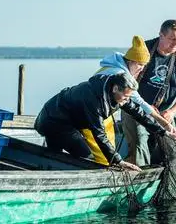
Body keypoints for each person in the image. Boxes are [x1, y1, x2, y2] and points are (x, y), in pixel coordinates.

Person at [34, 72, 168, 171]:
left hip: (64, 121)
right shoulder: (94, 100)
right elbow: (99, 133)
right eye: (126, 97)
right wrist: (118, 161)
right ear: (115, 88)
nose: (127, 100)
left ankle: (49, 170)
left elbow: (138, 113)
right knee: (86, 158)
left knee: (53, 157)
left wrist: (162, 131)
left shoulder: (118, 95)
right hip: (54, 122)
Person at [122, 19, 176, 166]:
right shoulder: (143, 51)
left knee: (173, 147)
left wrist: (172, 112)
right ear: (161, 35)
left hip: (163, 113)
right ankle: (138, 177)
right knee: (140, 143)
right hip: (135, 106)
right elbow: (125, 82)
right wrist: (145, 106)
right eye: (172, 39)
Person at [96, 35, 176, 140]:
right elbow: (140, 102)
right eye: (139, 64)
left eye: (144, 66)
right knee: (103, 153)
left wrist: (164, 127)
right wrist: (164, 123)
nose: (141, 69)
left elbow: (137, 107)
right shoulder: (120, 76)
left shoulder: (116, 66)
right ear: (130, 61)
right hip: (95, 114)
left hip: (104, 112)